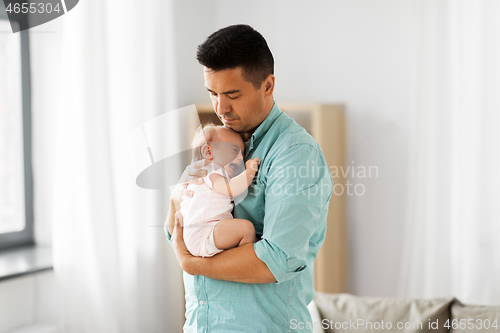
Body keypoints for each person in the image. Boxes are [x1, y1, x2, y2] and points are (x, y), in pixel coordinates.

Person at [164, 24, 333, 332]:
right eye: (213, 93)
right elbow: (174, 227)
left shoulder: (295, 153)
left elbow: (274, 260)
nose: (220, 108)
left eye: (232, 94)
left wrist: (193, 264)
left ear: (267, 85)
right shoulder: (213, 142)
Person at [180, 123, 260, 257]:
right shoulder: (210, 171)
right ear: (208, 152)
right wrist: (250, 170)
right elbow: (231, 188)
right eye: (235, 151)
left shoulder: (202, 175)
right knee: (246, 229)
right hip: (204, 232)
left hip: (204, 232)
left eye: (242, 154)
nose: (241, 158)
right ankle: (248, 258)